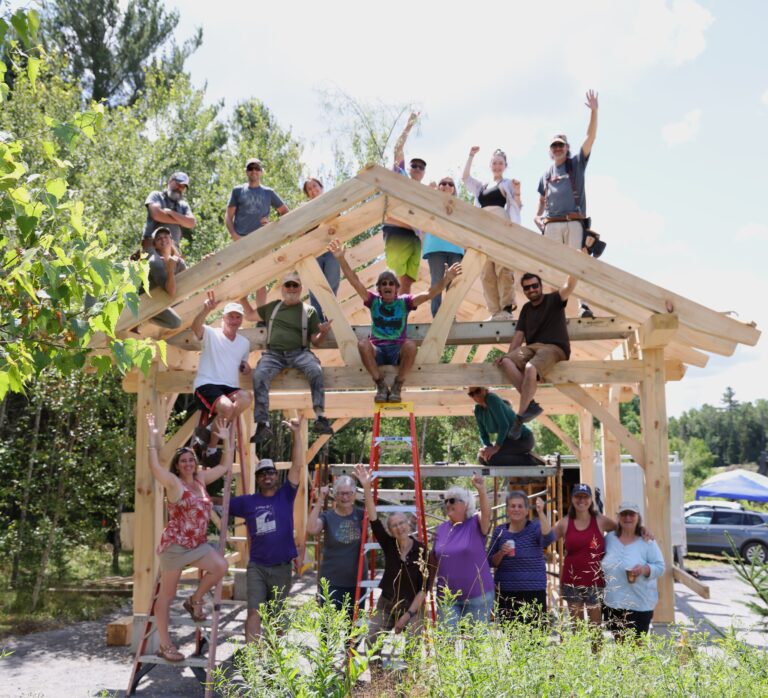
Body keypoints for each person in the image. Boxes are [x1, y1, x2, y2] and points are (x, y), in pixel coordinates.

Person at [330, 239, 462, 403]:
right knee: (363, 344)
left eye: (391, 283)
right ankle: (380, 384)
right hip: (377, 349)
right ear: (379, 288)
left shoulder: (404, 302)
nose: (387, 286)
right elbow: (354, 282)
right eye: (384, 283)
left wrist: (447, 279)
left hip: (397, 350)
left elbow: (429, 294)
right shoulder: (373, 301)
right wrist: (340, 258)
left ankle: (397, 385)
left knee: (411, 345)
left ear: (396, 288)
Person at [146, 414, 232, 662]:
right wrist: (152, 439)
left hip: (197, 544)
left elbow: (224, 466)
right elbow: (155, 469)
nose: (188, 464)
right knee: (167, 595)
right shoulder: (174, 483)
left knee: (220, 566)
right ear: (177, 466)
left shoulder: (201, 480)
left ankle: (194, 599)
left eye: (191, 460)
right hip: (175, 546)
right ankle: (165, 645)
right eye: (183, 461)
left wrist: (225, 440)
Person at [229, 417, 304, 642]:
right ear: (258, 479)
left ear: (276, 475)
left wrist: (296, 434)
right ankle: (253, 657)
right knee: (254, 611)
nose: (267, 476)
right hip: (258, 567)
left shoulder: (285, 495)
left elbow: (297, 466)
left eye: (270, 472)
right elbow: (221, 503)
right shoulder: (248, 502)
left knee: (276, 617)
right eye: (262, 474)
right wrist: (195, 489)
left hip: (282, 567)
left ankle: (274, 656)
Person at [241, 271, 334, 444]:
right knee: (259, 375)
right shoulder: (273, 307)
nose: (291, 288)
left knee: (315, 370)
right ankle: (262, 424)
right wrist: (242, 298)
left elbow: (316, 341)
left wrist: (323, 332)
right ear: (282, 289)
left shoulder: (309, 311)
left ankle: (320, 417)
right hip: (274, 354)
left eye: (295, 285)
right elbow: (249, 315)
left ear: (300, 288)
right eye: (288, 285)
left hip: (300, 352)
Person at [534, 90, 599, 318]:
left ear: (567, 147)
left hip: (573, 222)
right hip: (551, 224)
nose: (558, 148)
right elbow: (541, 200)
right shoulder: (545, 174)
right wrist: (537, 216)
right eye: (554, 146)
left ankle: (583, 305)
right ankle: (555, 309)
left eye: (561, 145)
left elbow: (590, 138)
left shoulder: (576, 164)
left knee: (577, 264)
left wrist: (594, 112)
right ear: (550, 150)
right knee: (553, 266)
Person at [354, 464, 429, 652]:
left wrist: (408, 615)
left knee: (413, 644)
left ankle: (410, 673)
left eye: (402, 523)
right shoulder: (389, 545)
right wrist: (367, 487)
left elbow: (423, 589)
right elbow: (374, 519)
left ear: (408, 524)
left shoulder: (421, 550)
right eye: (394, 525)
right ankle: (376, 671)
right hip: (387, 603)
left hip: (412, 607)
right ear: (390, 530)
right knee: (371, 640)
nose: (399, 527)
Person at [496, 271, 578, 437]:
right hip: (532, 348)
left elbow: (569, 286)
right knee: (505, 361)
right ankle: (530, 403)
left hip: (554, 348)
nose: (531, 289)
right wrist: (508, 355)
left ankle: (519, 417)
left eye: (534, 286)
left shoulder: (554, 299)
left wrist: (574, 268)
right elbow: (518, 336)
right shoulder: (526, 309)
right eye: (527, 288)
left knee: (530, 368)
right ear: (524, 291)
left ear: (541, 286)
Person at [191, 292, 253, 461]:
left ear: (241, 320)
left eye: (238, 317)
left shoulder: (244, 343)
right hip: (207, 384)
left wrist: (246, 368)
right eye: (230, 316)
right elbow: (195, 327)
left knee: (247, 398)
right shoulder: (211, 333)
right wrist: (206, 310)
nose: (234, 320)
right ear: (223, 318)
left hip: (230, 386)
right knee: (227, 407)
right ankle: (211, 450)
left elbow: (243, 363)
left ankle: (210, 428)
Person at [462, 147, 522, 320]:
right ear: (490, 165)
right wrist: (471, 155)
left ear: (505, 166)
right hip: (483, 229)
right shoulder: (483, 186)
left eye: (500, 163)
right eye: (494, 163)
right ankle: (494, 311)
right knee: (486, 271)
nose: (497, 166)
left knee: (503, 267)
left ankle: (507, 308)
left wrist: (518, 191)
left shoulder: (507, 183)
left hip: (500, 227)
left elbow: (517, 205)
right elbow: (465, 178)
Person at [430, 475, 494, 625]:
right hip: (447, 598)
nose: (448, 503)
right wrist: (426, 588)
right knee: (447, 638)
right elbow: (433, 559)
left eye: (452, 500)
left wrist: (481, 490)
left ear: (466, 504)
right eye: (446, 501)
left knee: (475, 639)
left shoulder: (476, 523)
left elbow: (487, 513)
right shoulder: (441, 529)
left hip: (477, 597)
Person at [550, 483, 616, 626]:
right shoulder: (565, 522)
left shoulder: (600, 520)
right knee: (577, 628)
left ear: (591, 500)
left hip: (595, 580)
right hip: (571, 580)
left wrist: (642, 531)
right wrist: (541, 516)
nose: (581, 500)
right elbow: (545, 538)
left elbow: (623, 531)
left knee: (595, 627)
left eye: (585, 497)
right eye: (578, 496)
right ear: (572, 499)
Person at [226, 158, 290, 307]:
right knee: (240, 280)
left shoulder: (268, 192)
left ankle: (260, 315)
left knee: (261, 281)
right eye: (250, 168)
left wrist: (271, 225)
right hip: (241, 241)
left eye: (257, 168)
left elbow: (285, 212)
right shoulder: (238, 191)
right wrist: (234, 235)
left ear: (261, 172)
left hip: (262, 241)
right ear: (246, 171)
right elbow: (228, 216)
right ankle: (239, 315)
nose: (254, 171)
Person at [488, 492, 555, 623]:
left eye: (520, 506)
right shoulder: (500, 531)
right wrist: (501, 553)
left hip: (534, 592)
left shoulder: (535, 527)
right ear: (507, 510)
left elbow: (548, 538)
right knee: (510, 633)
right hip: (506, 593)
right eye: (513, 506)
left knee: (535, 633)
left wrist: (541, 513)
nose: (516, 509)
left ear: (527, 510)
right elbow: (490, 562)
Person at [601, 502, 665, 640]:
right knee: (619, 642)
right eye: (624, 514)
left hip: (639, 602)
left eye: (631, 514)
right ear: (618, 517)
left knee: (637, 644)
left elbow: (660, 567)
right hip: (613, 601)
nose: (628, 518)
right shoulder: (609, 538)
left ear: (638, 517)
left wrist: (644, 570)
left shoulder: (647, 541)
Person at [306, 475, 365, 616]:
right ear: (335, 495)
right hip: (331, 582)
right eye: (341, 493)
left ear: (354, 494)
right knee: (330, 625)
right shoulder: (328, 516)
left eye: (348, 493)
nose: (345, 497)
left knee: (354, 625)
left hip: (356, 581)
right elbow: (311, 529)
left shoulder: (362, 515)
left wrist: (367, 487)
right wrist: (320, 499)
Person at [381, 111, 424, 294]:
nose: (417, 168)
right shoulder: (401, 176)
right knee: (393, 280)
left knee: (407, 283)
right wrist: (409, 124)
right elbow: (397, 148)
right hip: (397, 231)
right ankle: (388, 310)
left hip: (414, 237)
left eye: (421, 167)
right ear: (409, 168)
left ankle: (402, 311)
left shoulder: (425, 194)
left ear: (423, 172)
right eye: (414, 165)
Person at [422, 177, 464, 317]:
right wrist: (429, 191)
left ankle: (450, 316)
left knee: (454, 283)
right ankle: (437, 316)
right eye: (443, 183)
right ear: (438, 186)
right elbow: (420, 207)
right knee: (437, 281)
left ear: (454, 189)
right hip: (435, 247)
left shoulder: (460, 206)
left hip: (456, 248)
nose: (447, 186)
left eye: (450, 184)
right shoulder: (431, 201)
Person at [302, 178, 341, 322]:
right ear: (308, 194)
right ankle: (318, 322)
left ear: (321, 187)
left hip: (332, 249)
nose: (313, 190)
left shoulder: (332, 203)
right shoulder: (304, 209)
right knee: (315, 288)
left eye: (315, 186)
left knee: (332, 283)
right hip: (314, 252)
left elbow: (339, 223)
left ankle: (331, 318)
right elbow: (301, 231)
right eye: (309, 189)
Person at [467, 387, 536, 466]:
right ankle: (520, 458)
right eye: (471, 394)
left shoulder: (491, 398)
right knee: (481, 458)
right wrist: (487, 447)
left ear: (485, 389)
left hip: (523, 440)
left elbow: (504, 425)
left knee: (492, 459)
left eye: (477, 391)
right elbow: (483, 433)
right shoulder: (478, 410)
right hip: (508, 442)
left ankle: (528, 460)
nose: (475, 395)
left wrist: (495, 448)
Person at [142, 172, 196, 253]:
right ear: (170, 181)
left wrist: (171, 213)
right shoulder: (156, 196)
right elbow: (156, 214)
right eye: (178, 184)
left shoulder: (183, 205)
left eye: (183, 186)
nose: (179, 188)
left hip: (173, 250)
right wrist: (181, 221)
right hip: (152, 247)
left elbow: (191, 223)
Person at [146, 227, 187, 329]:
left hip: (167, 302)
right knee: (175, 322)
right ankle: (148, 319)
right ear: (155, 245)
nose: (163, 240)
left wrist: (206, 261)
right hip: (149, 302)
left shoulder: (179, 262)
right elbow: (170, 291)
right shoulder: (155, 263)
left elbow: (189, 279)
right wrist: (170, 270)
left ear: (171, 240)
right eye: (159, 238)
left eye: (166, 237)